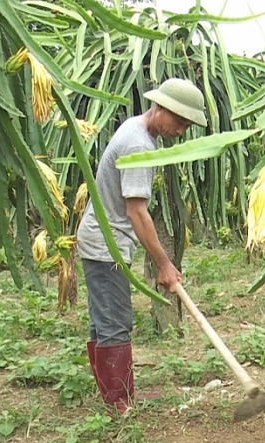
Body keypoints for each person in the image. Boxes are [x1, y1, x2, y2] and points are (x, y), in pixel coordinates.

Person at [76, 78, 207, 415]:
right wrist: (163, 263)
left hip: (101, 238)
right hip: (107, 245)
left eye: (187, 126)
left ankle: (114, 393)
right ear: (160, 108)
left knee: (103, 320)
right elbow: (137, 212)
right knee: (114, 321)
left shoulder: (136, 126)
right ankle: (119, 403)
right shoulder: (139, 146)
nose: (180, 131)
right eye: (178, 122)